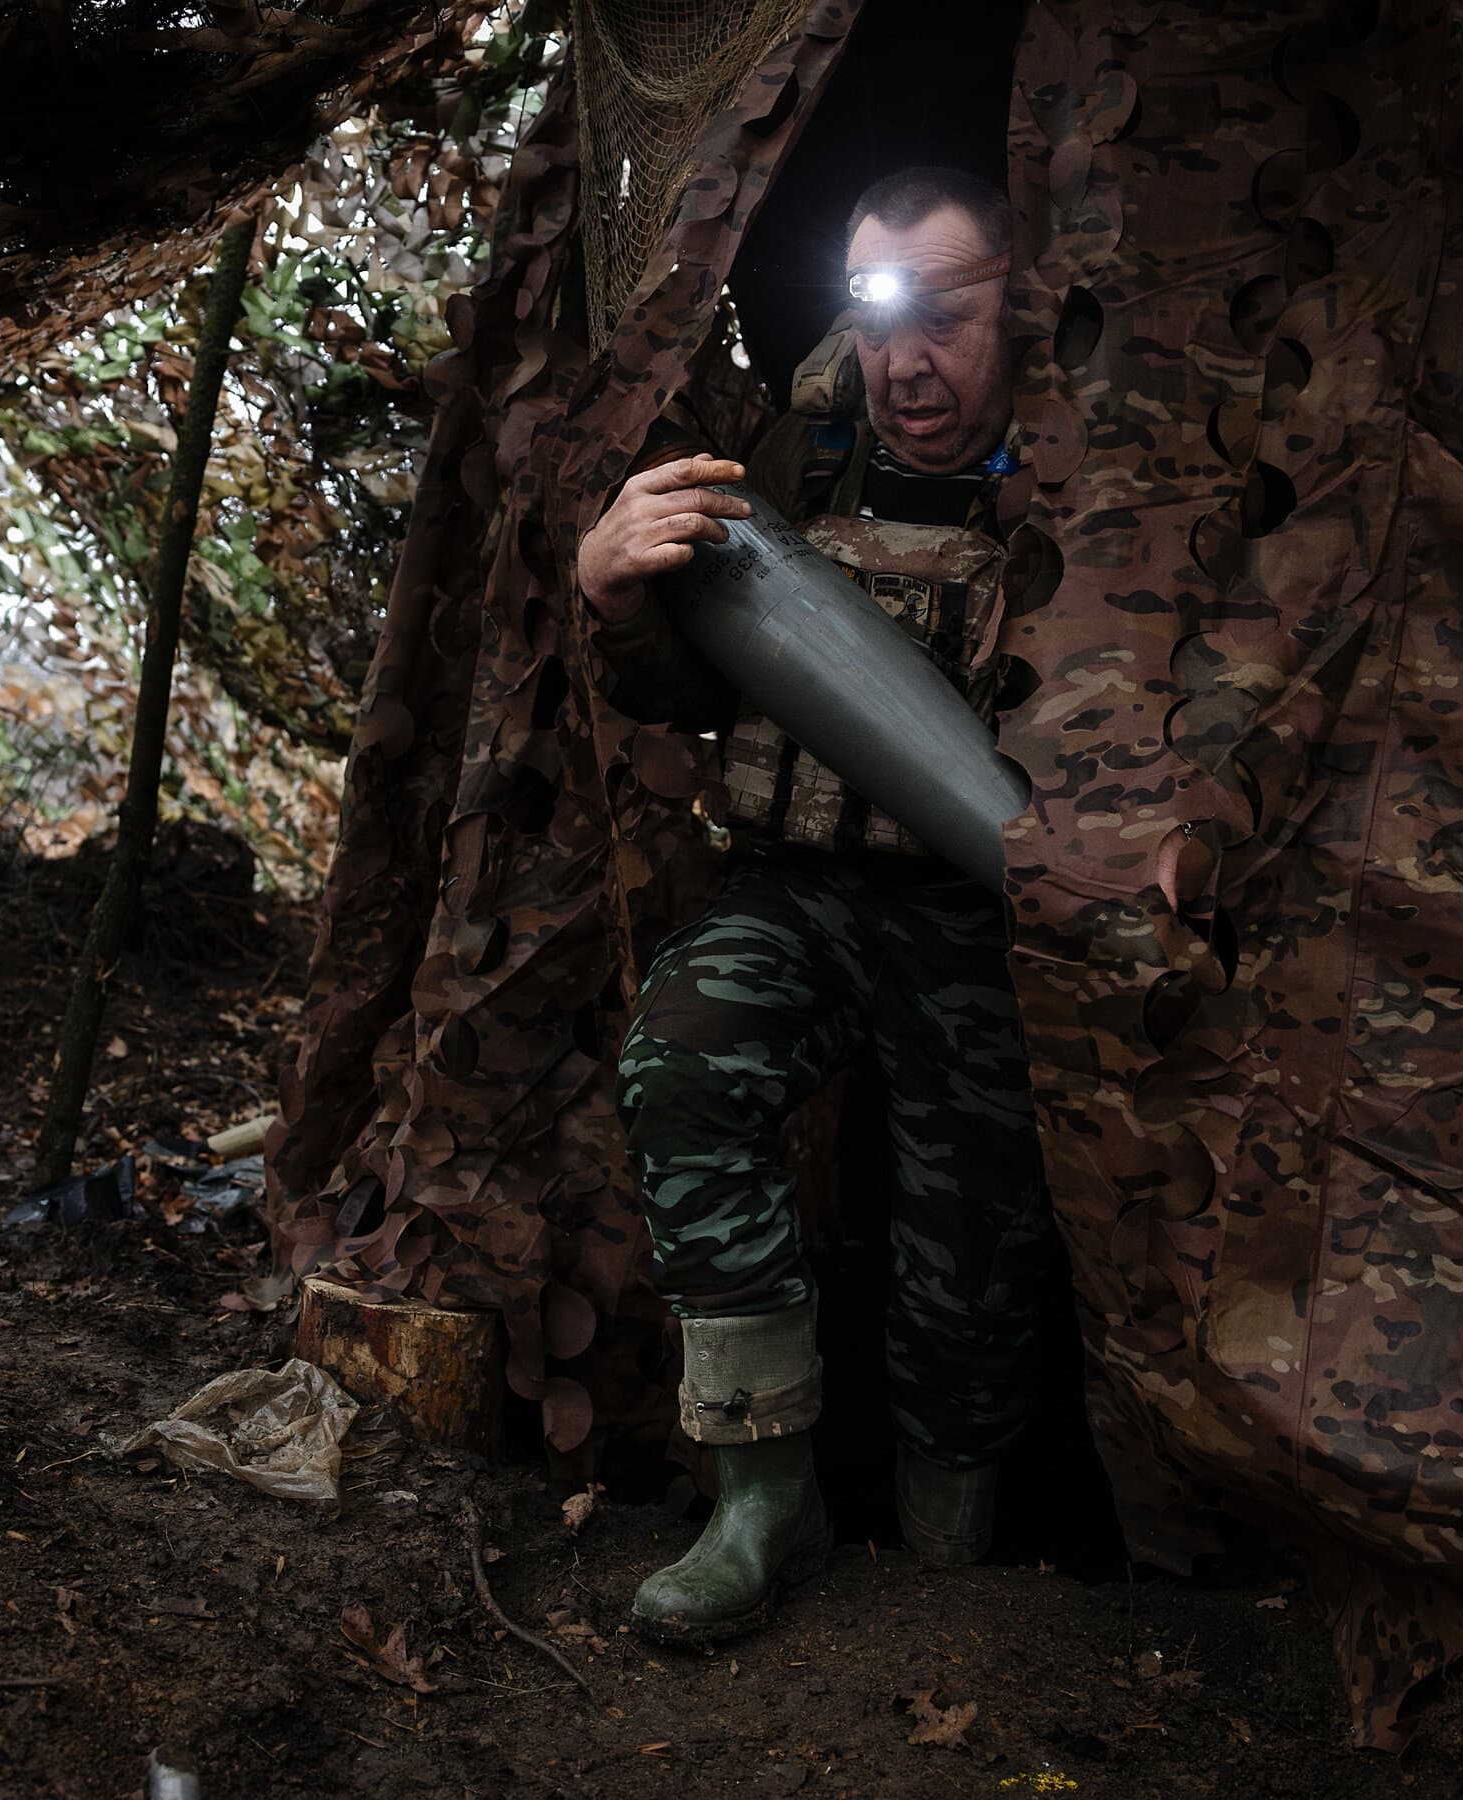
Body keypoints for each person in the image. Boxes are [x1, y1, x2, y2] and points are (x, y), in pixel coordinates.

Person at [578, 167, 1051, 1643]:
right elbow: (705, 678)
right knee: (683, 1053)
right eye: (877, 317)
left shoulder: (1092, 472)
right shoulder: (807, 441)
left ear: (1020, 303)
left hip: (987, 917)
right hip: (802, 887)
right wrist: (614, 594)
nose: (909, 365)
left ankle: (952, 1554)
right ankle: (759, 1499)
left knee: (969, 1237)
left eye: (947, 319)